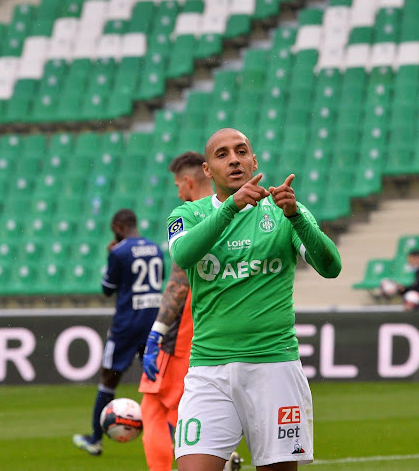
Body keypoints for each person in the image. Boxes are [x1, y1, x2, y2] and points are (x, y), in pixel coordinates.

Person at [167, 128, 341, 471]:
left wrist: (296, 218)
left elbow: (330, 266)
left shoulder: (283, 211)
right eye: (222, 154)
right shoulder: (187, 215)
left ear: (253, 161)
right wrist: (231, 208)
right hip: (209, 369)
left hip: (274, 368)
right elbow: (184, 255)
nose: (234, 159)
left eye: (241, 151)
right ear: (207, 170)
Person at [139, 152, 245, 471]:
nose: (177, 192)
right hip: (214, 326)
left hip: (184, 327)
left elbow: (178, 281)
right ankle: (222, 457)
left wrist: (156, 332)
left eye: (177, 185)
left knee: (154, 406)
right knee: (185, 406)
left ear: (188, 181)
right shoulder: (230, 214)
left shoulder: (189, 216)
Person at [73, 209, 165, 456]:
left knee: (108, 378)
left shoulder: (119, 251)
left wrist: (110, 256)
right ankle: (174, 436)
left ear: (118, 226)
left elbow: (107, 288)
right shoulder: (156, 248)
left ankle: (95, 439)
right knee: (161, 382)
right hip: (153, 323)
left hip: (126, 325)